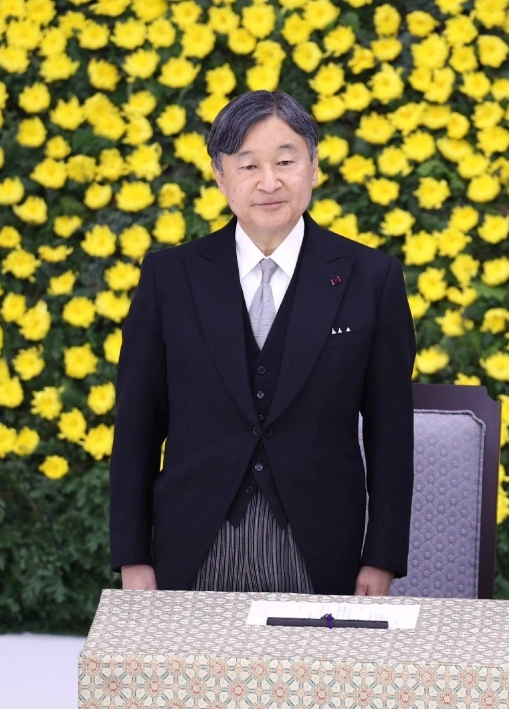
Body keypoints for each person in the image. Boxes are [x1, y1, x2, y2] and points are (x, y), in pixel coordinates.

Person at [109, 91, 416, 596]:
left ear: (313, 167)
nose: (269, 182)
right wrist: (133, 556)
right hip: (192, 544)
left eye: (286, 161)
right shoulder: (170, 277)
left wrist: (380, 559)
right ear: (219, 174)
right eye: (248, 164)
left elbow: (390, 432)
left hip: (321, 548)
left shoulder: (371, 277)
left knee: (315, 678)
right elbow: (138, 426)